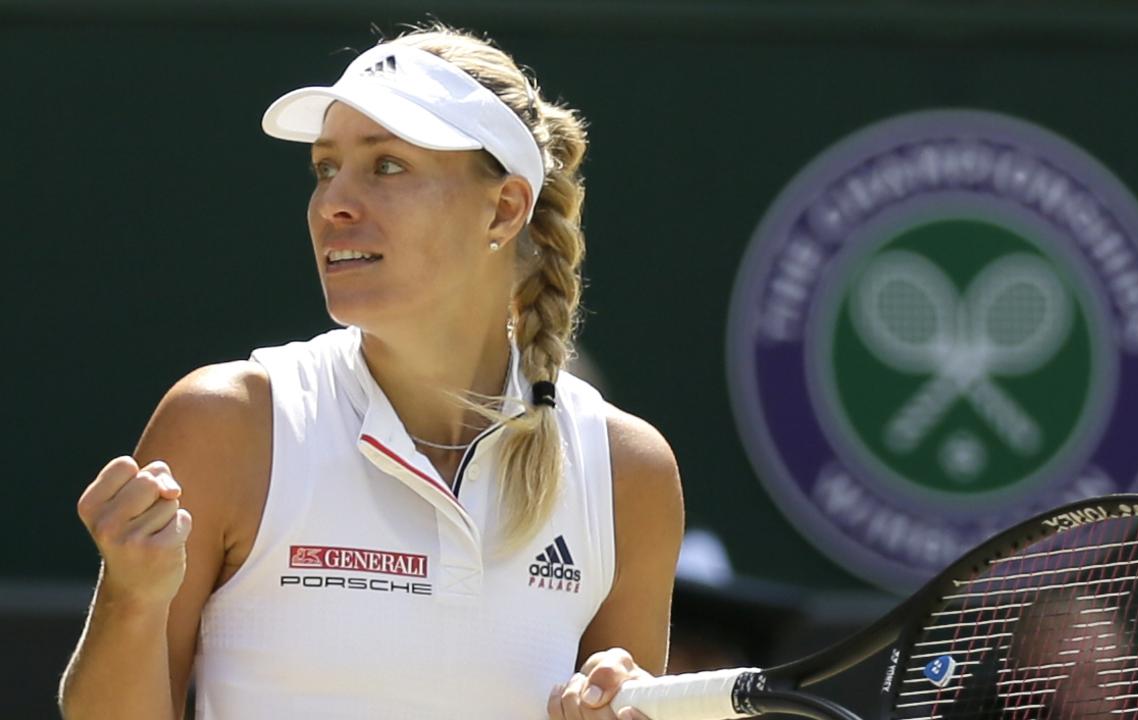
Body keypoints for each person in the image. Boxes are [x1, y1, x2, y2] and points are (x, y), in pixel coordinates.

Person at [58, 22, 683, 720]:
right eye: (325, 168)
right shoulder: (225, 423)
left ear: (504, 208)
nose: (333, 204)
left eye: (387, 166)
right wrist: (131, 598)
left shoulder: (629, 472)